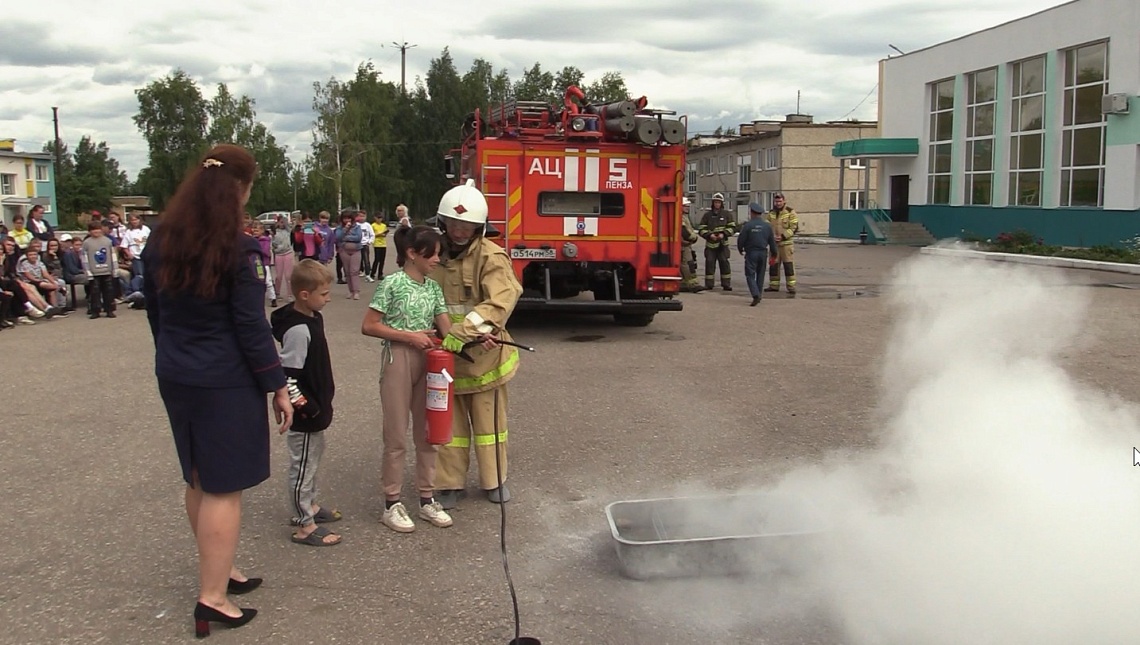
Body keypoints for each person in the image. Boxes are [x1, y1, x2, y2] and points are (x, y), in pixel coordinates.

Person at [141, 144, 293, 638]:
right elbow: (250, 325)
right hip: (223, 379)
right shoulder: (239, 248)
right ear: (240, 189)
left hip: (177, 373)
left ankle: (220, 568)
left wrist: (173, 355)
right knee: (224, 488)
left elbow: (156, 312)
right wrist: (277, 384)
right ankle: (212, 599)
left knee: (199, 478)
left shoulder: (161, 239)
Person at [429, 180, 523, 510]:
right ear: (442, 222)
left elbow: (501, 300)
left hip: (485, 359)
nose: (459, 231)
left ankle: (494, 480)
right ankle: (448, 483)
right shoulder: (432, 255)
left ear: (479, 226)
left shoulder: (491, 256)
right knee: (448, 426)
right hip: (444, 359)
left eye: (466, 225)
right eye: (453, 223)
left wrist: (464, 332)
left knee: (489, 427)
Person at [361, 225, 457, 532]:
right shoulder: (392, 283)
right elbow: (369, 325)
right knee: (396, 435)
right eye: (433, 254)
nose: (437, 260)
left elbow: (448, 330)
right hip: (399, 359)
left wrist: (480, 337)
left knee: (429, 432)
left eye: (439, 254)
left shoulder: (433, 288)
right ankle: (392, 503)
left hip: (430, 361)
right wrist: (409, 336)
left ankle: (427, 498)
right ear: (412, 253)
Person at [270, 259, 343, 546]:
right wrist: (308, 408)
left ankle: (309, 505)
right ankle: (304, 524)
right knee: (302, 466)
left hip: (317, 408)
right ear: (304, 295)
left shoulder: (313, 317)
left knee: (312, 461)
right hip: (305, 414)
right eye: (323, 294)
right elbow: (288, 377)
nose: (328, 299)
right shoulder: (299, 330)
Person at [737, 202, 781, 306]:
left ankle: (755, 294)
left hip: (751, 253)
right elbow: (772, 242)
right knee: (760, 275)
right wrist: (774, 253)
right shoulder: (767, 226)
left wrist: (740, 249)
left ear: (751, 212)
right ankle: (759, 294)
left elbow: (741, 239)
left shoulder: (748, 225)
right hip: (763, 253)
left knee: (750, 274)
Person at [697, 192, 736, 291]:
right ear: (713, 203)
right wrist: (709, 235)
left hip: (723, 245)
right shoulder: (707, 215)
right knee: (709, 263)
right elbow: (701, 229)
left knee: (724, 263)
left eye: (719, 202)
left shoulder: (727, 214)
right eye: (715, 202)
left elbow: (732, 227)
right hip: (711, 245)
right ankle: (709, 284)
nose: (717, 204)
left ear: (721, 203)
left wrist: (724, 234)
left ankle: (726, 284)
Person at [80, 221, 117, 319]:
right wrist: (87, 271)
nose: (96, 232)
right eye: (93, 230)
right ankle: (95, 310)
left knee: (109, 291)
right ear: (89, 231)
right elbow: (84, 258)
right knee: (95, 292)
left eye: (98, 229)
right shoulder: (87, 243)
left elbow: (112, 255)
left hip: (107, 270)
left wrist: (115, 268)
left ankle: (109, 309)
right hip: (94, 272)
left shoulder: (107, 241)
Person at [765, 193, 800, 297]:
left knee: (788, 266)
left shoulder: (790, 212)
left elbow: (794, 227)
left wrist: (783, 236)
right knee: (773, 266)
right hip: (774, 245)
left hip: (786, 245)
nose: (778, 203)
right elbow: (767, 226)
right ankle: (774, 286)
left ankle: (791, 287)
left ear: (784, 201)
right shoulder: (771, 213)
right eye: (776, 201)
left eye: (780, 201)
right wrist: (771, 237)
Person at [334, 210, 363, 299]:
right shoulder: (339, 228)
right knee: (347, 272)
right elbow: (338, 237)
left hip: (356, 250)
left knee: (354, 271)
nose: (347, 220)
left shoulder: (357, 227)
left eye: (349, 218)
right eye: (345, 218)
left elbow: (358, 238)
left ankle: (356, 291)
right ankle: (350, 291)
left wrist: (346, 237)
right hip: (344, 251)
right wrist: (345, 230)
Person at [679, 197, 704, 293]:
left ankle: (684, 284)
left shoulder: (684, 217)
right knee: (687, 264)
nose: (687, 208)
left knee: (686, 264)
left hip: (686, 244)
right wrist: (693, 238)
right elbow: (684, 231)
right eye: (685, 206)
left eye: (688, 206)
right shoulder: (680, 217)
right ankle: (693, 285)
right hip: (684, 245)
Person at [271, 215, 295, 304]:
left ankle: (290, 295)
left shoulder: (287, 230)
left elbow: (292, 227)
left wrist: (286, 221)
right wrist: (276, 248)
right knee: (279, 276)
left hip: (288, 253)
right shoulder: (274, 232)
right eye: (281, 222)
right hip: (278, 254)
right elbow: (273, 244)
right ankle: (277, 293)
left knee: (288, 276)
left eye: (283, 222)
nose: (282, 224)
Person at [356, 211, 375, 283]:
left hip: (365, 245)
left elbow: (372, 234)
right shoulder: (356, 225)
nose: (361, 218)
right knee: (357, 260)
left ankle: (368, 275)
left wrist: (369, 242)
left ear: (366, 217)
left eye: (363, 216)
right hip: (357, 245)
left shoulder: (367, 225)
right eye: (360, 216)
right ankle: (359, 272)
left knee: (366, 260)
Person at [369, 213, 388, 280]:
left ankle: (380, 274)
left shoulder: (384, 225)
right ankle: (372, 273)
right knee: (377, 259)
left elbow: (385, 234)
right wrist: (379, 234)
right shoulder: (373, 225)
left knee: (382, 260)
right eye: (378, 218)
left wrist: (384, 234)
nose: (379, 219)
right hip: (377, 244)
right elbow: (372, 234)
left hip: (383, 244)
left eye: (381, 218)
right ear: (375, 218)